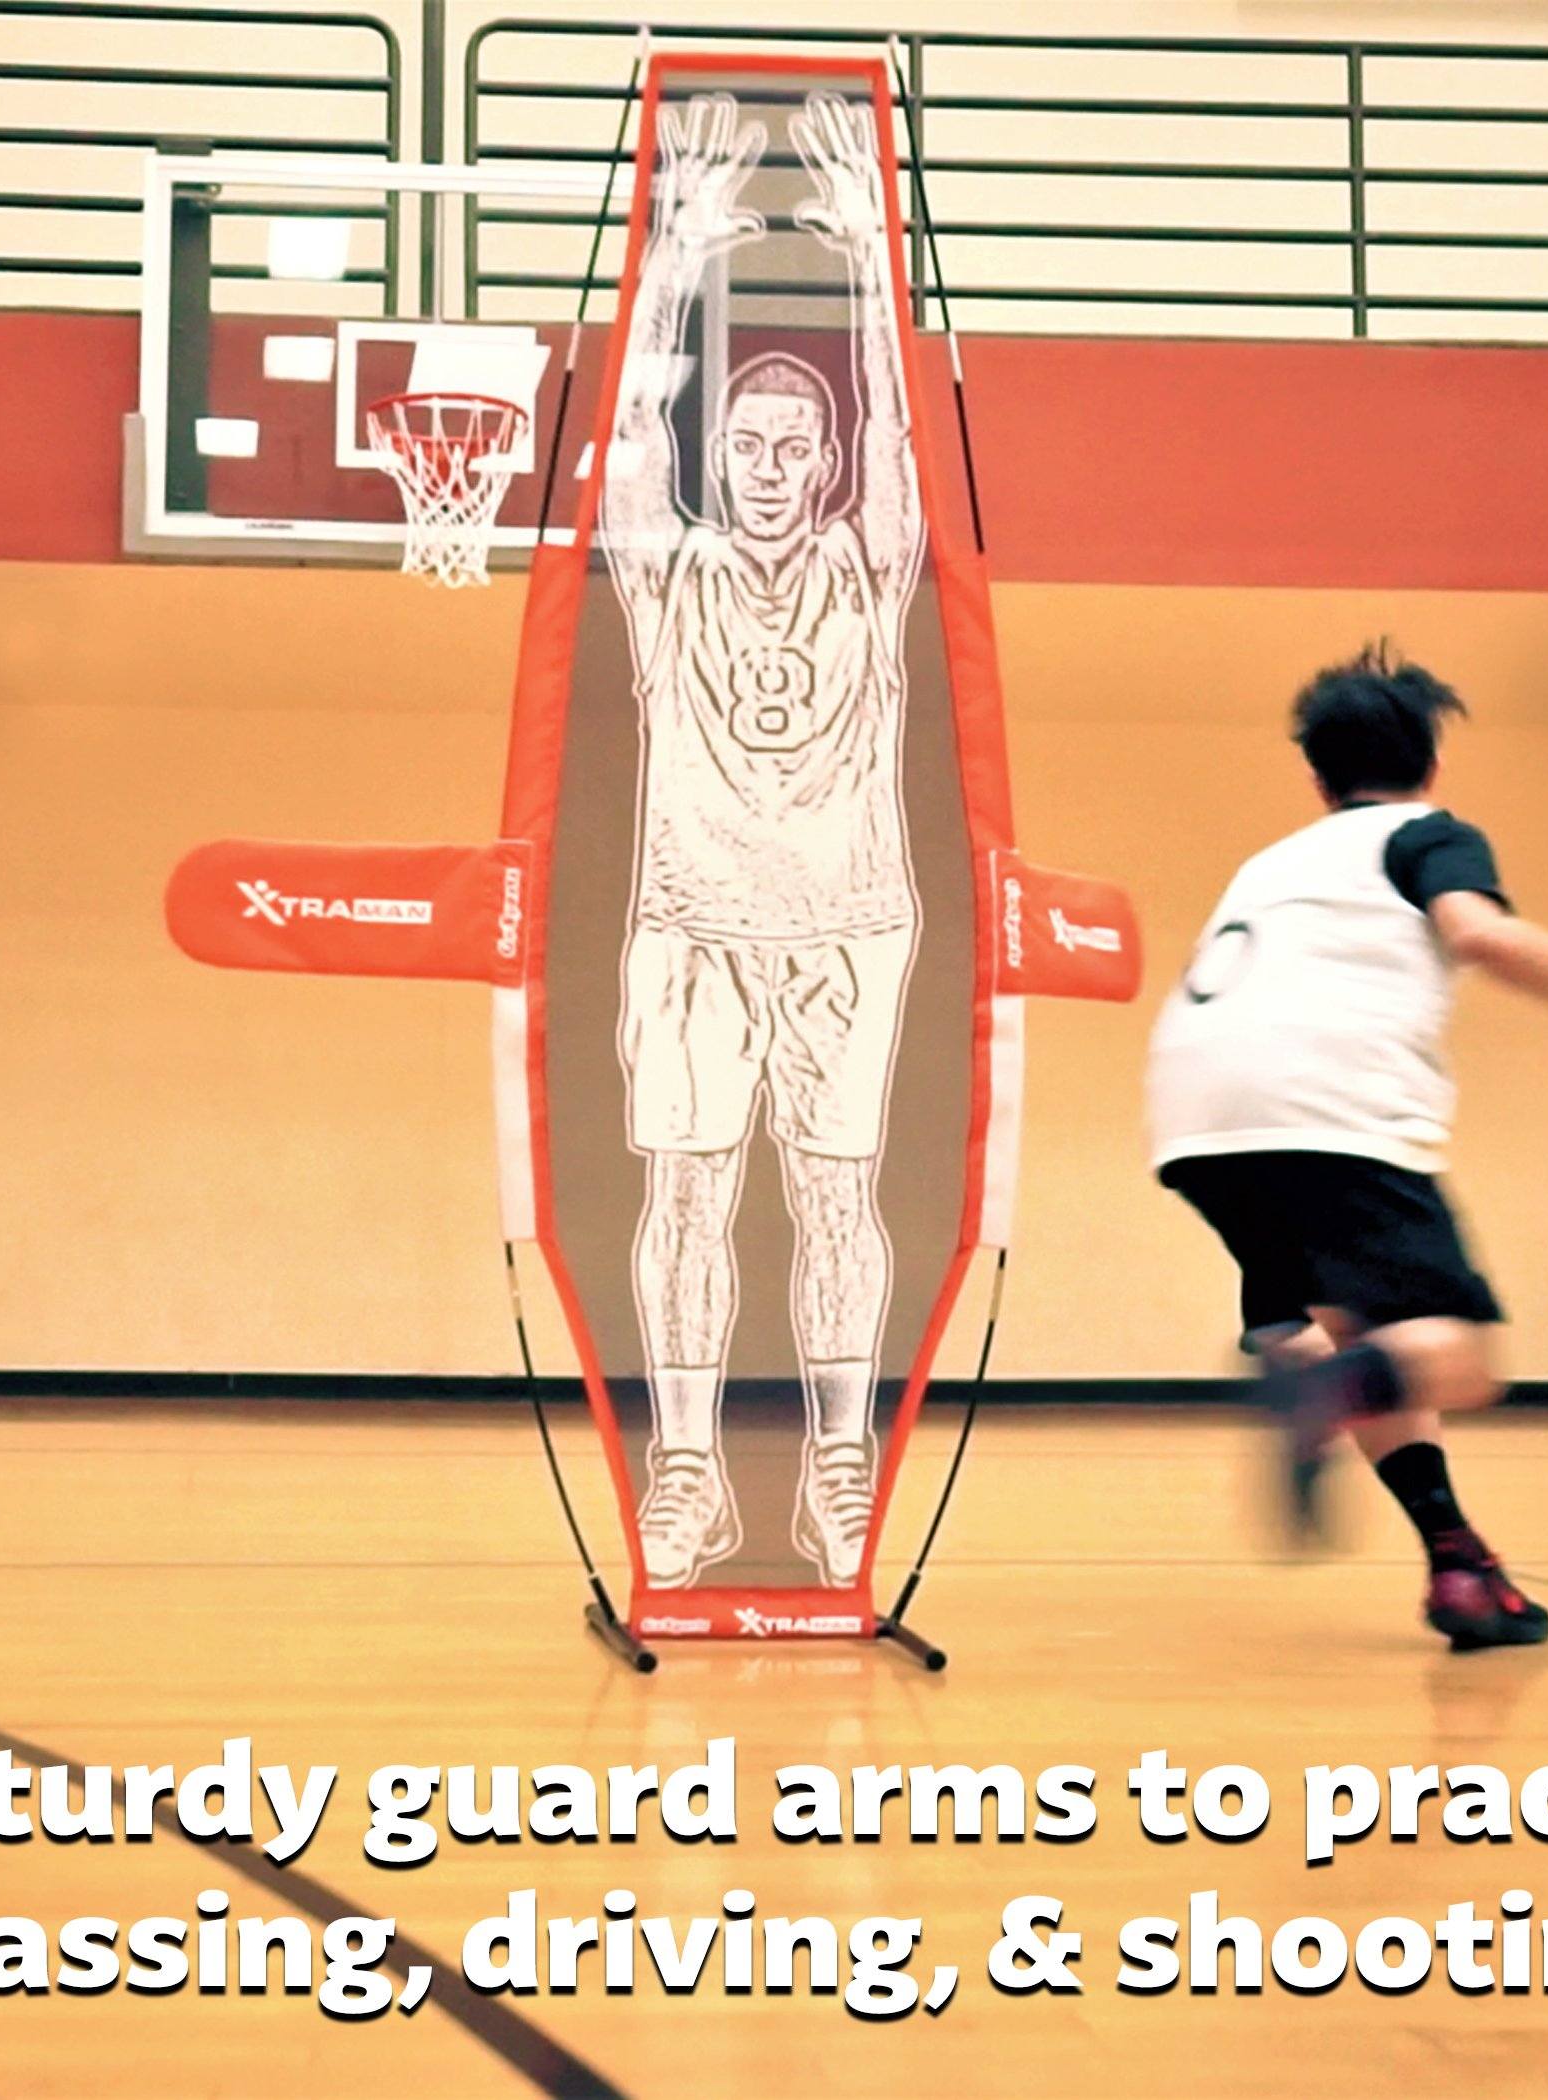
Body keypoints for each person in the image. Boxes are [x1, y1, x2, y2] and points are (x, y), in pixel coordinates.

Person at [1145, 643, 1548, 1648]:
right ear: (1431, 763)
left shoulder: (1272, 864)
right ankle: (1329, 1392)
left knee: (1365, 1334)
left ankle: (1460, 1566)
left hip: (1198, 1122)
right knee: (1461, 1360)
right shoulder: (1429, 834)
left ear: (1314, 775)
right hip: (1320, 1110)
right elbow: (1483, 936)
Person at [599, 93, 923, 1589]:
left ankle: (842, 1465)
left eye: (800, 442)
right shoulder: (670, 581)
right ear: (716, 454)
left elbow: (909, 432)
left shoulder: (875, 567)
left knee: (837, 1195)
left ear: (831, 460)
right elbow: (617, 464)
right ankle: (685, 1474)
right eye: (747, 439)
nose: (773, 462)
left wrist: (874, 257)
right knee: (683, 1193)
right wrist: (667, 263)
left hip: (848, 922)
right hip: (694, 922)